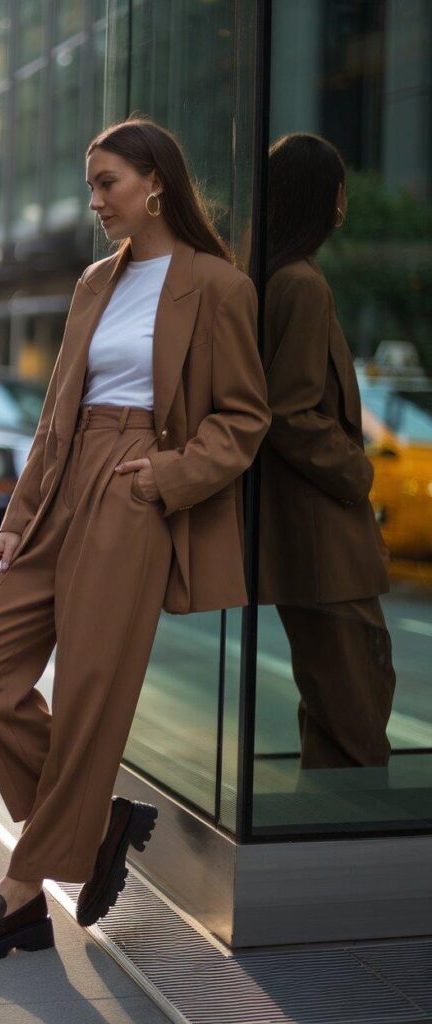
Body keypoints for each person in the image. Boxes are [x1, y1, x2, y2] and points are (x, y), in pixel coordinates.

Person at [0, 117, 271, 965]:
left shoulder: (217, 287)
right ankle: (101, 820)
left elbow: (243, 419)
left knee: (87, 692)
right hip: (62, 484)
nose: (96, 202)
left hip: (134, 489)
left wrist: (163, 477)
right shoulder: (93, 283)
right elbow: (54, 419)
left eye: (107, 183)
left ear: (155, 182)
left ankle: (18, 895)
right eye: (92, 185)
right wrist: (13, 521)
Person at [258, 133, 396, 771]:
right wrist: (358, 470)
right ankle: (352, 867)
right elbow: (289, 410)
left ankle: (319, 862)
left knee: (336, 715)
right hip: (324, 543)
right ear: (329, 198)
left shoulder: (278, 278)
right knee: (356, 722)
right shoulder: (302, 284)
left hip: (314, 543)